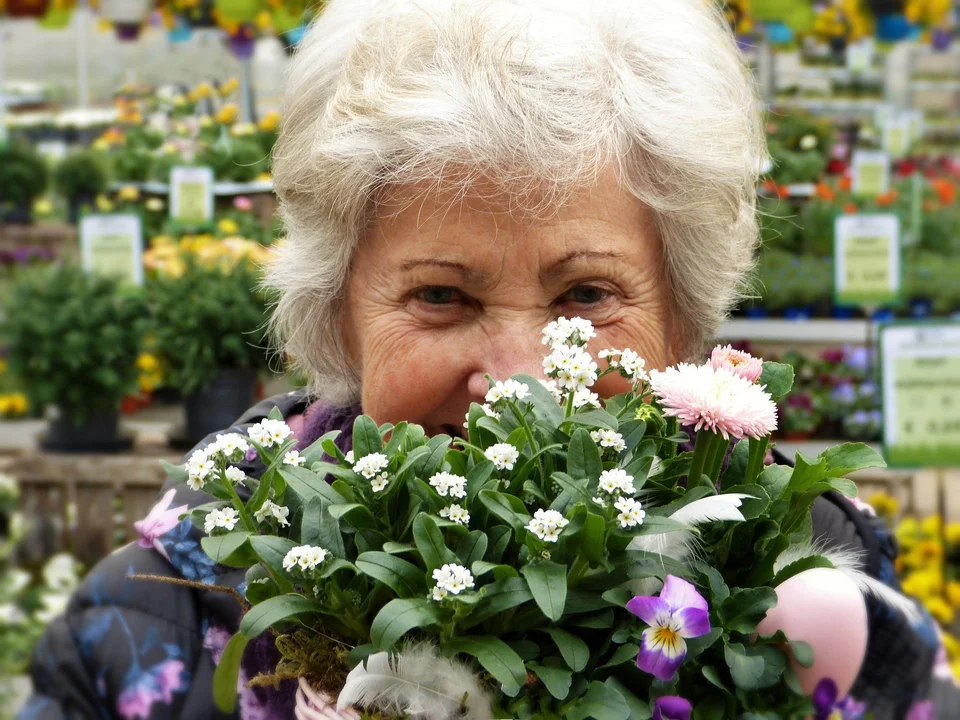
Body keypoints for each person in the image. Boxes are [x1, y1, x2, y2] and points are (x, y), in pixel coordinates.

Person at [20, 0, 950, 717]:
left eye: (586, 296)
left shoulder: (811, 594)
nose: (518, 384)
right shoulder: (154, 616)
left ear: (683, 319)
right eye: (441, 296)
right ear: (339, 314)